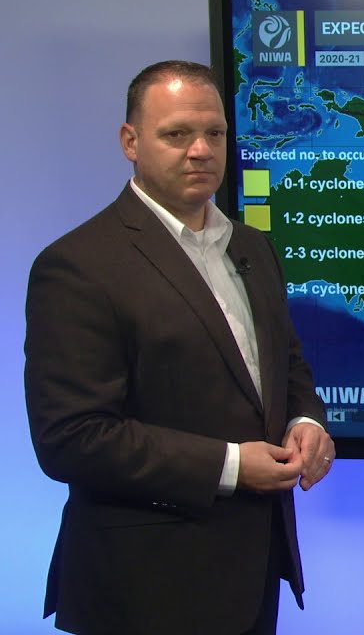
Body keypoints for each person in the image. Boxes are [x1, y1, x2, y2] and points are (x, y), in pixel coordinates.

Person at [25, 60, 335, 635]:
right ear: (130, 142)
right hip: (145, 590)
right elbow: (70, 439)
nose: (200, 150)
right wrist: (233, 466)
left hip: (253, 578)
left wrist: (305, 419)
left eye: (214, 133)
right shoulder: (78, 266)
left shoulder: (253, 248)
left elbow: (286, 365)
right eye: (177, 134)